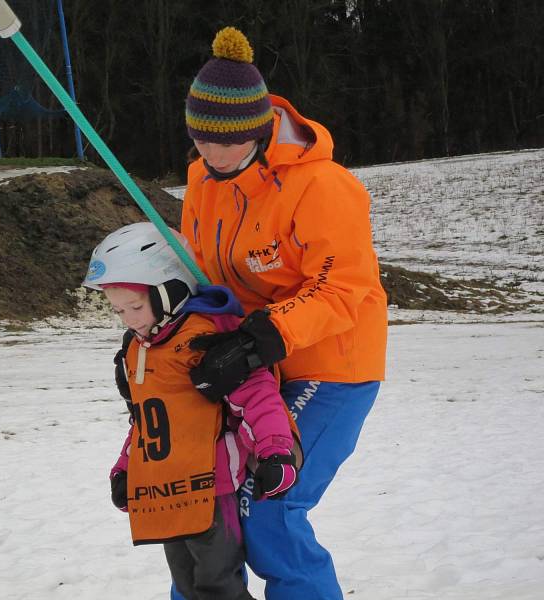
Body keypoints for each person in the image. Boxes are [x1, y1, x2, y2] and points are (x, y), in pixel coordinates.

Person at [177, 26, 389, 600]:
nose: (214, 157)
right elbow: (206, 279)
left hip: (330, 365)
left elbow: (344, 287)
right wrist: (164, 337)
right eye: (202, 142)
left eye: (229, 144)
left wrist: (264, 335)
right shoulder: (204, 179)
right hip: (256, 364)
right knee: (207, 501)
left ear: (260, 130)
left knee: (270, 505)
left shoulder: (321, 186)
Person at [83, 222, 302, 600]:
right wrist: (126, 470)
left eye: (135, 306)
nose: (130, 318)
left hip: (210, 489)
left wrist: (276, 451)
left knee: (218, 586)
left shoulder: (206, 341)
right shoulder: (141, 348)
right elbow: (147, 420)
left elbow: (259, 398)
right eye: (120, 311)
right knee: (187, 586)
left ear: (170, 290)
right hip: (163, 492)